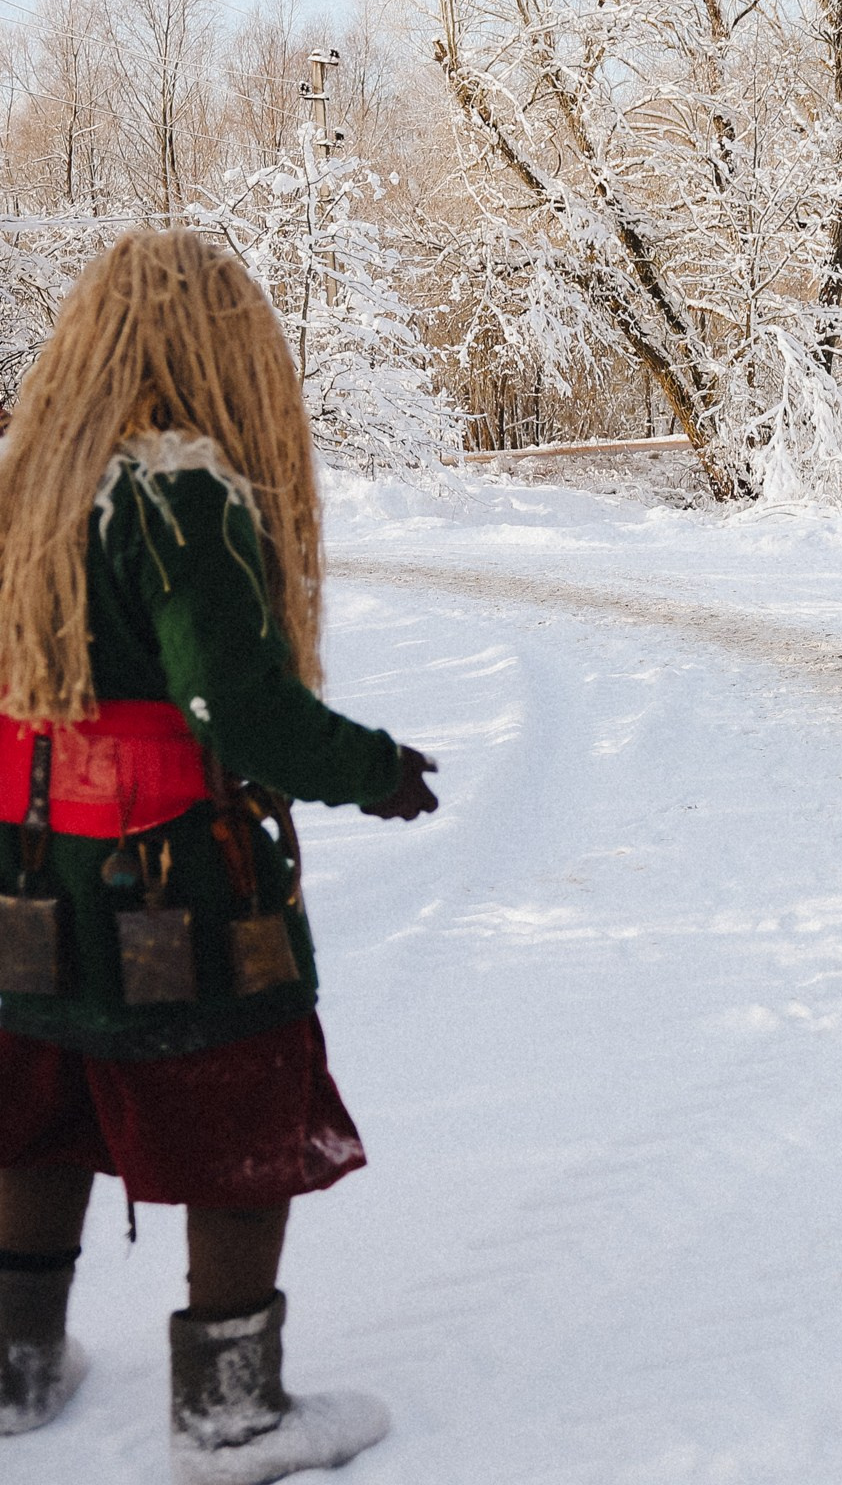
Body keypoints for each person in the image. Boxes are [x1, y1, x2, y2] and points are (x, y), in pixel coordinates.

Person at [0, 230, 440, 1483]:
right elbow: (235, 708)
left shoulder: (23, 483)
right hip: (174, 886)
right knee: (232, 1103)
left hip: (23, 873)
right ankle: (231, 1415)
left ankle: (16, 1371)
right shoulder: (179, 492)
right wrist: (376, 769)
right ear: (216, 350)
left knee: (39, 1099)